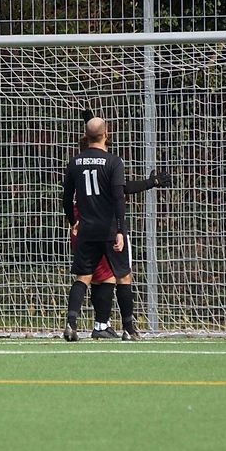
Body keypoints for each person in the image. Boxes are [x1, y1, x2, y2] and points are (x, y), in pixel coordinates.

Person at [73, 110, 172, 339]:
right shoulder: (105, 163)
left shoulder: (80, 162)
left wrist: (150, 182)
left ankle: (102, 325)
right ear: (104, 136)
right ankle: (110, 326)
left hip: (84, 226)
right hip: (102, 226)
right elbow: (121, 190)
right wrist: (151, 183)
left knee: (103, 276)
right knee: (110, 276)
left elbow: (121, 186)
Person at [62, 117, 138, 341]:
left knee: (83, 277)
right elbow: (118, 198)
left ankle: (71, 324)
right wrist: (120, 230)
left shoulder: (74, 162)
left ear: (86, 136)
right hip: (109, 230)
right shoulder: (113, 162)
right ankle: (128, 329)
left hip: (86, 229)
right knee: (123, 276)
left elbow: (66, 198)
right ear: (106, 134)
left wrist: (72, 221)